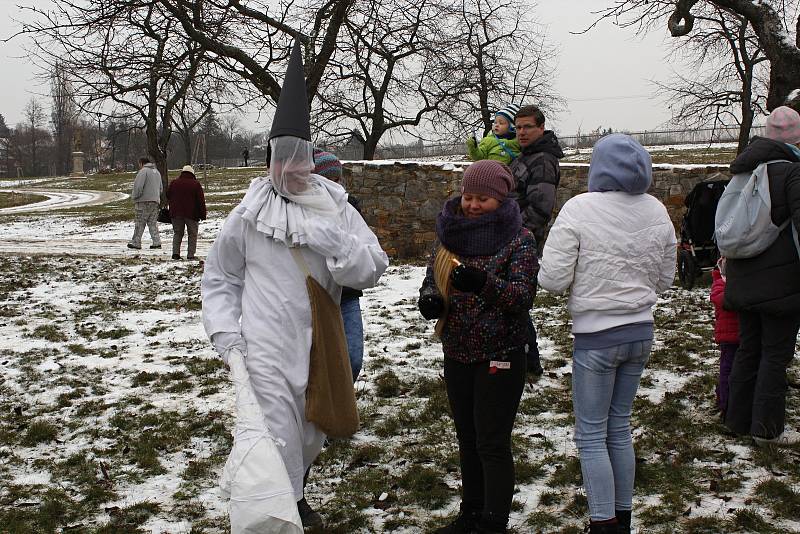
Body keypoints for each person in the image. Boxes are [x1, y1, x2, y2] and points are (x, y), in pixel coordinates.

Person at [201, 41, 389, 528]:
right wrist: (226, 333)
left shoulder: (336, 207)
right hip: (265, 345)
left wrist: (336, 246)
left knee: (309, 435)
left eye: (299, 158)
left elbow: (372, 267)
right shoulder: (248, 214)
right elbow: (221, 277)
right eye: (282, 159)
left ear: (310, 157)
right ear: (270, 160)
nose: (292, 169)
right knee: (275, 435)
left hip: (319, 345)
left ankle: (292, 498)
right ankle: (277, 516)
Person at [538, 134, 677, 534]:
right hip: (640, 332)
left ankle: (603, 523)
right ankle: (623, 518)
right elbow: (665, 280)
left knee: (592, 435)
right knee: (619, 426)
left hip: (597, 338)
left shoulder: (579, 208)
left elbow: (552, 280)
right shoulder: (656, 210)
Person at [418, 159, 537, 534]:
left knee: (492, 441)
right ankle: (470, 513)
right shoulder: (450, 234)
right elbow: (431, 279)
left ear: (500, 200)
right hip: (457, 351)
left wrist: (482, 283)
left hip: (499, 354)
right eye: (468, 196)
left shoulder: (519, 239)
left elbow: (521, 296)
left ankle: (493, 521)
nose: (471, 205)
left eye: (482, 199)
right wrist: (430, 300)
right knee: (467, 438)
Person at [723, 106, 800, 447]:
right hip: (781, 283)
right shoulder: (792, 173)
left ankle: (737, 419)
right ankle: (766, 429)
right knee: (774, 355)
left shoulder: (744, 169)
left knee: (748, 349)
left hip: (743, 276)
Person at [508, 105, 564, 375]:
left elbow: (539, 208)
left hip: (522, 241)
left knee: (515, 301)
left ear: (541, 127)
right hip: (512, 237)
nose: (521, 132)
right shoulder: (526, 156)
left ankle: (530, 362)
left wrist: (516, 237)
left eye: (527, 127)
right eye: (518, 127)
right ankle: (525, 360)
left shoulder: (542, 159)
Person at [313, 148, 366, 381]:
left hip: (347, 295)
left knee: (353, 359)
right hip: (316, 295)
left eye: (338, 179)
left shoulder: (350, 206)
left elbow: (363, 246)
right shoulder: (300, 211)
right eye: (329, 180)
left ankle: (341, 401)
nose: (336, 186)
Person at [710, 257, 739, 417]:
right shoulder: (719, 284)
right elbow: (721, 299)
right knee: (727, 370)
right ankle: (724, 401)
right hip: (728, 338)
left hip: (743, 335)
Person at [167, 164, 207, 260]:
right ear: (192, 173)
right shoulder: (195, 184)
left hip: (176, 213)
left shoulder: (174, 183)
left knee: (177, 233)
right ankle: (190, 254)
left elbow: (168, 195)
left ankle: (175, 253)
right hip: (192, 214)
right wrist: (203, 214)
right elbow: (200, 201)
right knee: (192, 234)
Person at [128, 156, 163, 250]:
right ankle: (156, 242)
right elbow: (161, 188)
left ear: (141, 163)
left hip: (143, 201)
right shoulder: (157, 172)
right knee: (152, 223)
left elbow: (138, 186)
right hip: (155, 201)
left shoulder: (143, 171)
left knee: (140, 222)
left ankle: (136, 242)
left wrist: (135, 196)